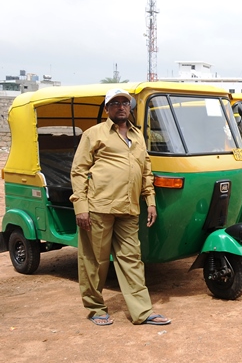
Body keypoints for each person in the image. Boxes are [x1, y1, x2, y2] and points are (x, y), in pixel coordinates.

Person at [70, 88, 171, 327]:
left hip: (129, 208)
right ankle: (96, 309)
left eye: (125, 103)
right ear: (107, 109)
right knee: (94, 260)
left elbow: (146, 171)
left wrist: (151, 201)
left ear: (130, 107)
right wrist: (81, 207)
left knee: (132, 258)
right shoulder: (94, 134)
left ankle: (142, 312)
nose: (121, 106)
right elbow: (78, 171)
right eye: (114, 103)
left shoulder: (137, 137)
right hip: (98, 207)